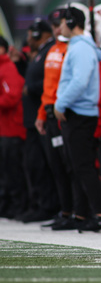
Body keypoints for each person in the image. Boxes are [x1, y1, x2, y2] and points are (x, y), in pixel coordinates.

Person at [54, 5, 101, 232]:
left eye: (61, 22)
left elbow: (79, 80)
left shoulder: (80, 49)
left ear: (70, 23)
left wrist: (60, 103)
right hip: (79, 113)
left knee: (84, 167)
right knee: (79, 167)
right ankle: (82, 214)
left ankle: (99, 215)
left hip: (80, 114)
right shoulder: (79, 47)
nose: (59, 27)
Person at [34, 8, 76, 230]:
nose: (57, 28)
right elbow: (47, 87)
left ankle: (75, 211)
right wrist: (41, 114)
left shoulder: (72, 50)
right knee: (56, 166)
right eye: (54, 24)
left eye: (60, 23)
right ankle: (65, 209)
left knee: (69, 165)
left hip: (64, 114)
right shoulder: (52, 50)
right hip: (50, 114)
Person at [22, 19, 59, 222]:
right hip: (34, 117)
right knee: (35, 164)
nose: (29, 39)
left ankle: (49, 205)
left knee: (44, 164)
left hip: (43, 116)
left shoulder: (49, 52)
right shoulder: (40, 54)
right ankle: (41, 203)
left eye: (32, 35)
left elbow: (50, 81)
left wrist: (32, 88)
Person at [0, 36, 26, 219]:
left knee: (12, 170)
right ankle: (9, 205)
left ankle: (17, 206)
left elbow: (12, 97)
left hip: (11, 129)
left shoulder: (7, 68)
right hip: (5, 128)